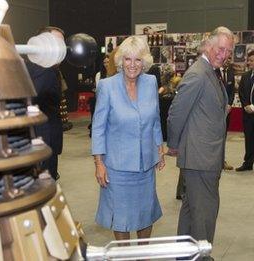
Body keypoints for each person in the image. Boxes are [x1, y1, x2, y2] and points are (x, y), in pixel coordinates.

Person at [167, 27, 234, 251]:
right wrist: (174, 145)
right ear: (208, 45)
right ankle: (201, 255)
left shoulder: (210, 70)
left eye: (228, 51)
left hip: (204, 156)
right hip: (200, 158)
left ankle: (184, 254)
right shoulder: (198, 73)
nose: (224, 55)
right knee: (205, 211)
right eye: (221, 49)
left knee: (191, 209)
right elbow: (176, 112)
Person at [91, 36, 165, 241]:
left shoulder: (151, 83)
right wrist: (99, 163)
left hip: (146, 165)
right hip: (117, 166)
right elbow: (98, 128)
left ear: (145, 62)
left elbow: (155, 119)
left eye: (138, 60)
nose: (132, 65)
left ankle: (143, 254)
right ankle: (124, 255)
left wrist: (159, 148)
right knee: (121, 216)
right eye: (128, 59)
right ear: (121, 61)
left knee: (145, 214)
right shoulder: (107, 86)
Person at [25, 26, 64, 180]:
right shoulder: (45, 71)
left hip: (42, 137)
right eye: (55, 42)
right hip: (42, 137)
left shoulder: (38, 68)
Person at [236, 50, 254, 171]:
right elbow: (241, 93)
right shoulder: (246, 76)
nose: (250, 62)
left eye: (252, 60)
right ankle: (248, 163)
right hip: (248, 114)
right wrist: (246, 105)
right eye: (249, 60)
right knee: (249, 139)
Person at [220, 57, 235, 170]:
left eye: (230, 58)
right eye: (227, 58)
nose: (228, 60)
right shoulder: (213, 71)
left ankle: (222, 161)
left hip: (226, 111)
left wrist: (229, 104)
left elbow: (231, 91)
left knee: (223, 136)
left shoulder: (230, 71)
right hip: (214, 110)